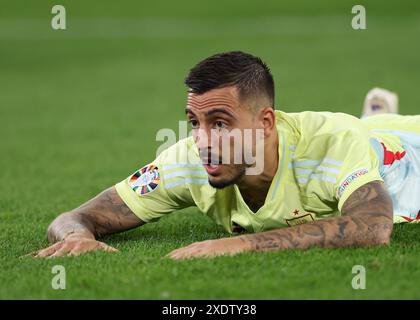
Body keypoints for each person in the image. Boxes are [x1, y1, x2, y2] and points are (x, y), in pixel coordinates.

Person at [30, 51, 420, 260]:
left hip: (406, 148)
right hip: (360, 142)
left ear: (266, 121)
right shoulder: (188, 159)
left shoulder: (332, 143)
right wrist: (76, 236)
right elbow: (75, 217)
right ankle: (375, 115)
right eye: (194, 122)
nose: (202, 141)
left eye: (219, 123)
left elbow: (371, 228)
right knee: (363, 132)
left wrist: (236, 245)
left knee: (365, 135)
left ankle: (376, 119)